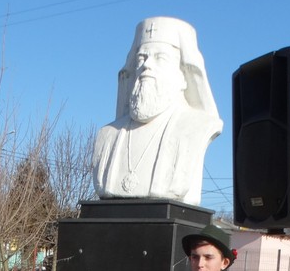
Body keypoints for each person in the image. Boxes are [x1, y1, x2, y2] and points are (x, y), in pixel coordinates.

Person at [92, 16, 223, 205]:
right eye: (141, 58)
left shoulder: (196, 126)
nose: (147, 65)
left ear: (183, 75)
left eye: (161, 57)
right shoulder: (107, 135)